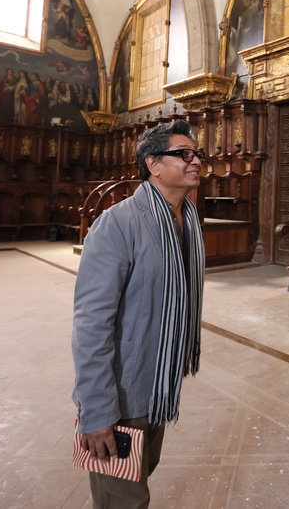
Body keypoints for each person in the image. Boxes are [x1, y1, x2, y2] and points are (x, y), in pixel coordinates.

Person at [72, 120, 206, 508]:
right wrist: (96, 412)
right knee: (122, 497)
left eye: (197, 153)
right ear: (154, 164)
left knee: (141, 472)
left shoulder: (188, 220)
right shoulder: (117, 224)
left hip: (159, 383)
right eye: (184, 154)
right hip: (121, 392)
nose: (196, 160)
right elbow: (91, 325)